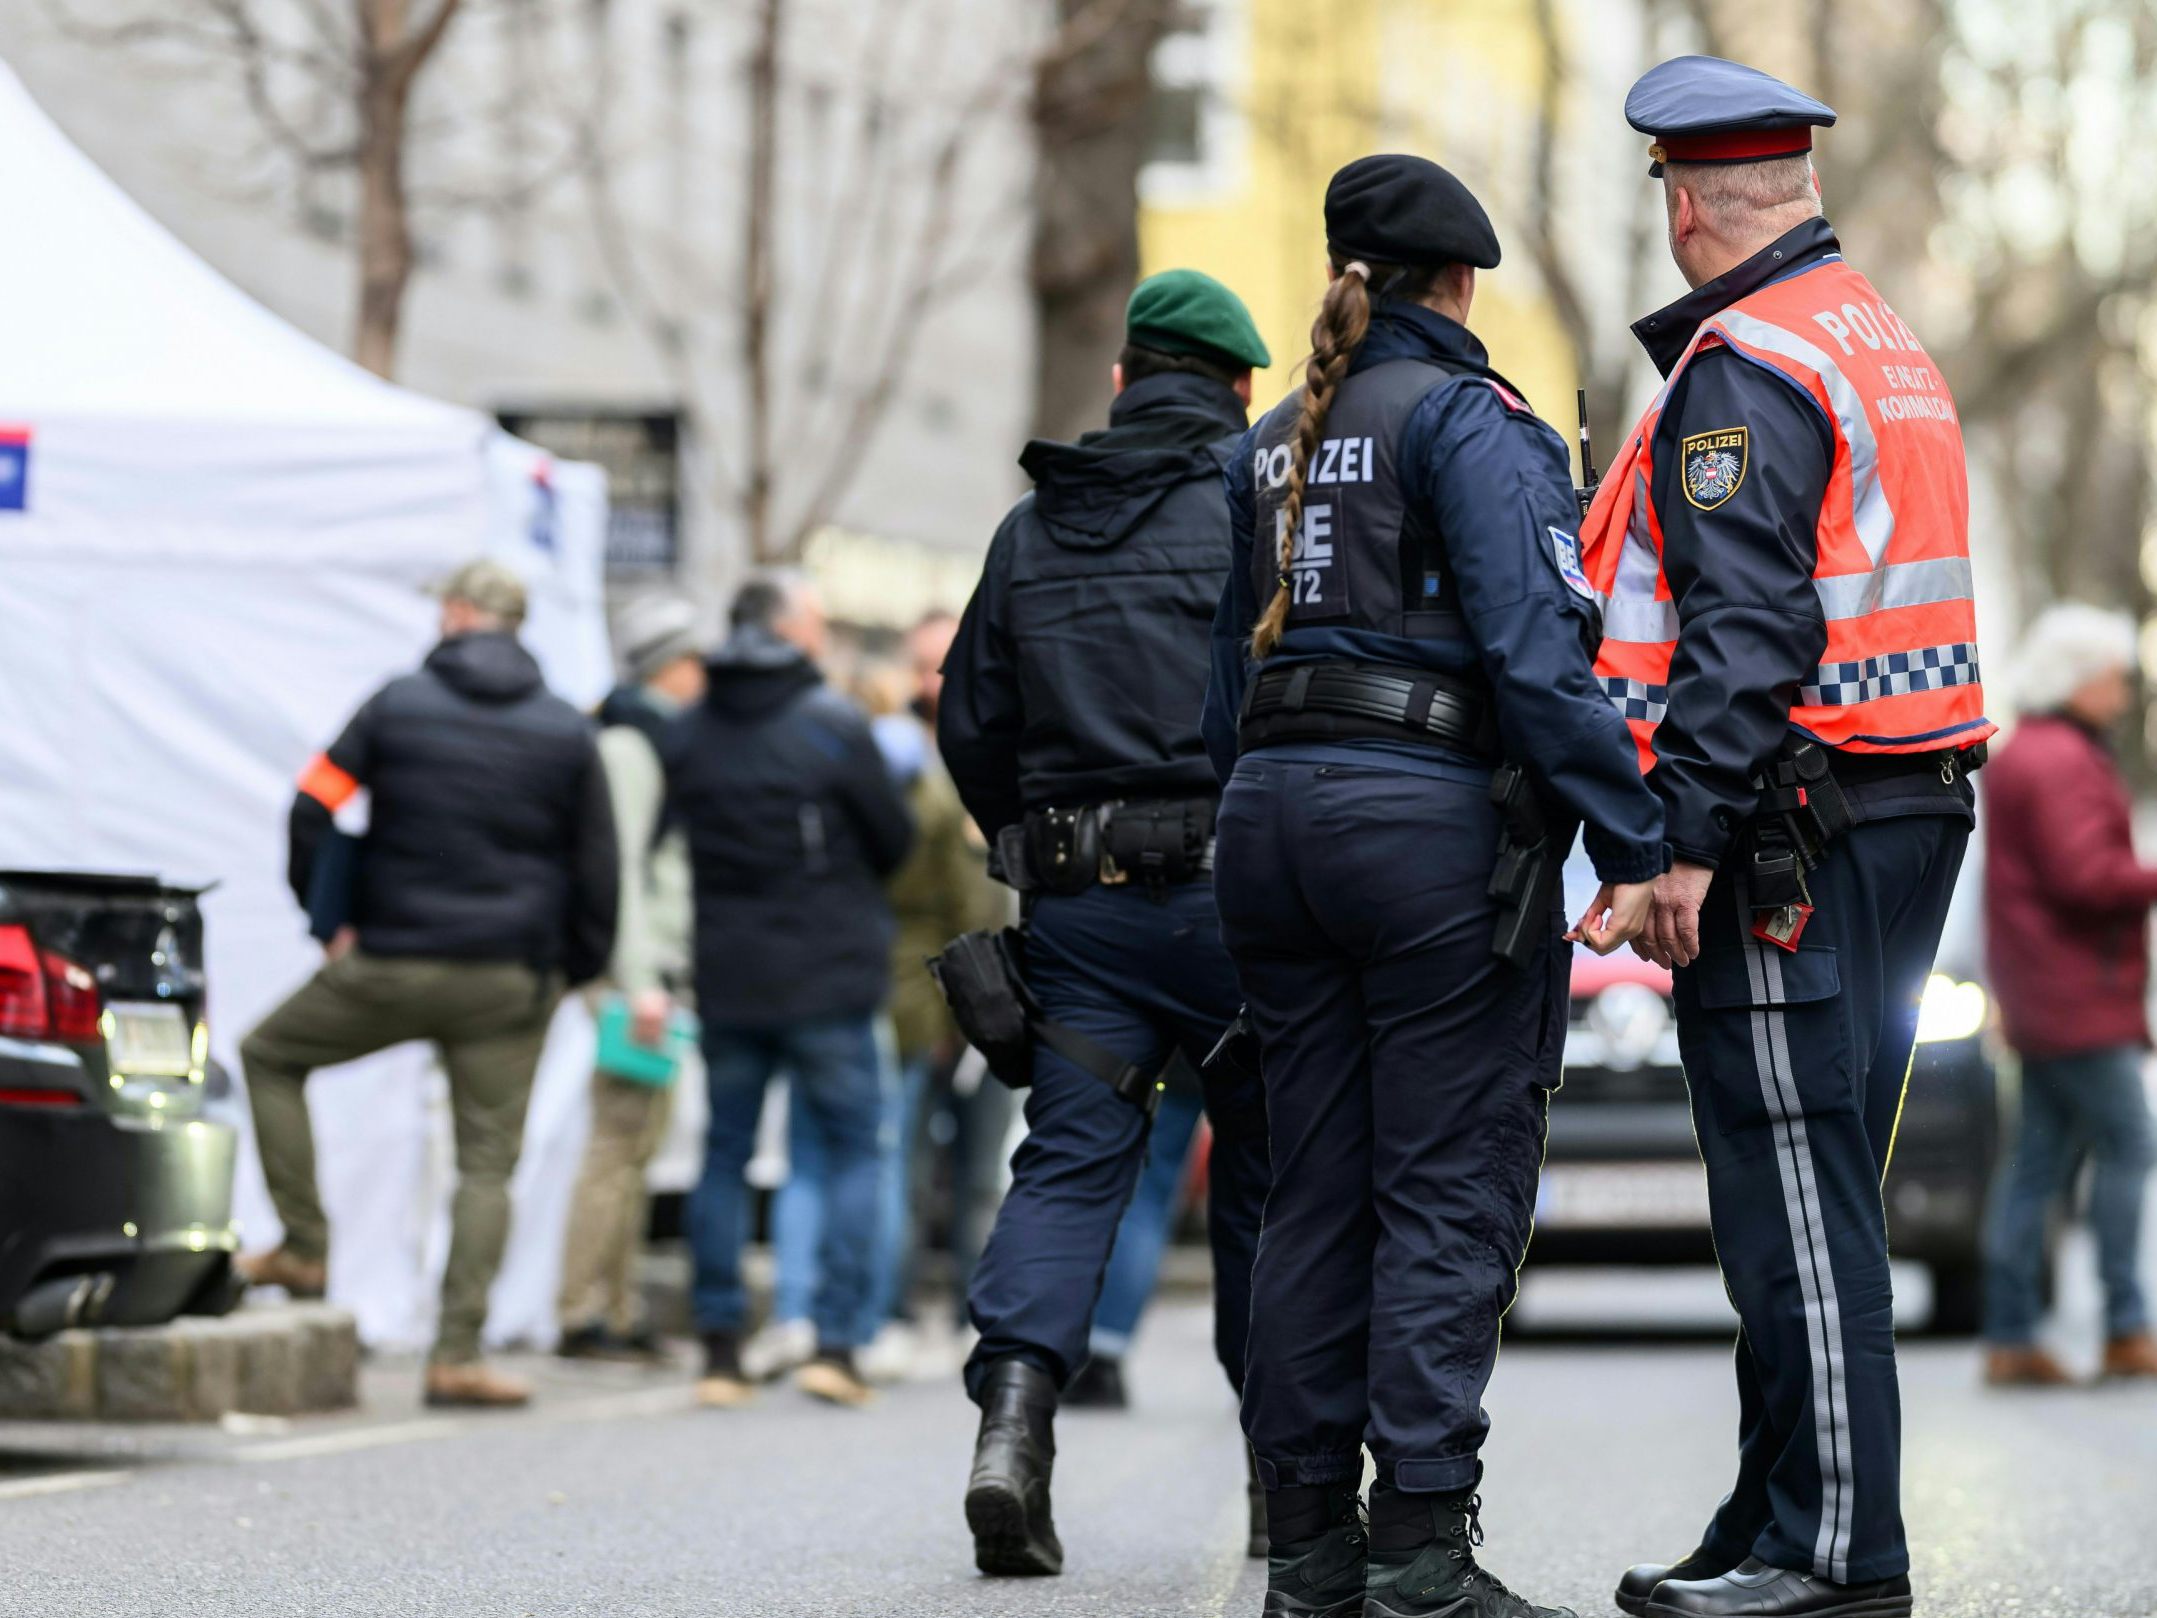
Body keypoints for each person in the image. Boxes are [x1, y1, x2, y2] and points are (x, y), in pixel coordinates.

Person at [1206, 155, 1662, 1618]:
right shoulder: (1472, 421)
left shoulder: (1274, 437)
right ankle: (1415, 1551)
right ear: (1461, 281)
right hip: (1421, 833)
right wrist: (1640, 845)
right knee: (1443, 1187)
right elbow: (1540, 662)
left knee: (1312, 1195)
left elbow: (1230, 676)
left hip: (1269, 824)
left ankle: (1311, 1561)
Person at [1580, 58, 1993, 1618]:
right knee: (1808, 1191)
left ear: (1686, 209)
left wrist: (1678, 839)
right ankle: (1767, 1515)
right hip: (1898, 806)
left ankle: (1834, 1554)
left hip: (1785, 835)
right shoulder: (1876, 338)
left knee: (1791, 1195)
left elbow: (1744, 629)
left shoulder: (1747, 365)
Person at [940, 267, 1276, 1578]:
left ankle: (1012, 1428)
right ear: (1240, 392)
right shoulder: (1256, 503)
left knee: (1070, 1163)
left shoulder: (1032, 528)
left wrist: (1030, 844)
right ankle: (1279, 1487)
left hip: (1078, 915)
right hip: (1237, 901)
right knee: (1265, 1180)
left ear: (1125, 381)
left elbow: (969, 718)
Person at [239, 559, 619, 1409]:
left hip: (392, 961)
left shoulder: (395, 705)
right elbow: (598, 866)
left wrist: (324, 918)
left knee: (268, 1055)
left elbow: (314, 803)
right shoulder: (565, 731)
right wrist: (571, 972)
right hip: (506, 981)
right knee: (486, 1166)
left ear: (456, 613)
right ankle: (454, 1355)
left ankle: (302, 1244)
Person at [665, 573, 914, 1410]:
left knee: (724, 1155)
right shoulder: (833, 723)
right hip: (829, 975)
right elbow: (892, 839)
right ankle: (836, 1345)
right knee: (854, 1150)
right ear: (785, 630)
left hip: (728, 974)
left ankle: (719, 1350)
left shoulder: (690, 728)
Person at [1979, 604, 2157, 1386]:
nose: (2122, 694)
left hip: (2045, 993)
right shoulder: (2058, 761)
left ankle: (2011, 1333)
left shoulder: (2036, 751)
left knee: (2037, 1163)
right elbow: (2083, 878)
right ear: (2077, 680)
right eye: (2114, 679)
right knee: (2130, 1143)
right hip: (2075, 996)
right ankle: (2125, 1323)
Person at [556, 594, 705, 1362]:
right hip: (631, 975)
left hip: (647, 972)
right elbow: (619, 874)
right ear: (670, 668)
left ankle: (613, 1308)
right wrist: (642, 980)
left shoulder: (652, 743)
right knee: (617, 1141)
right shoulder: (630, 748)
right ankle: (584, 1311)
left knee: (637, 1140)